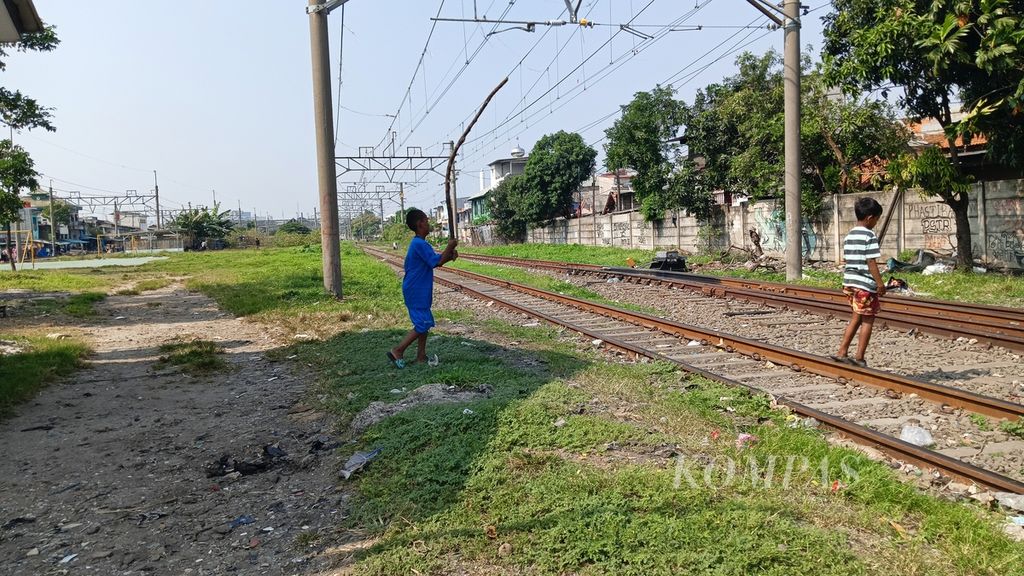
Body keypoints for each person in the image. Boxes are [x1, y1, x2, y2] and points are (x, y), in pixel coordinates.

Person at [386, 209, 458, 368]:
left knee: (423, 323)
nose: (428, 223)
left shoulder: (419, 243)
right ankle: (398, 350)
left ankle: (421, 356)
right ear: (420, 224)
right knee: (424, 323)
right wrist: (449, 246)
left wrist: (449, 255)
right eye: (426, 221)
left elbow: (436, 260)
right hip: (416, 289)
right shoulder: (419, 244)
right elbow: (436, 262)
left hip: (419, 289)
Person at [833, 197, 886, 368]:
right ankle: (860, 357)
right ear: (870, 217)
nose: (876, 223)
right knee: (868, 320)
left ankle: (842, 351)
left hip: (850, 283)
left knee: (856, 317)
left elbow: (849, 259)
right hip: (864, 285)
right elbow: (871, 262)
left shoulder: (850, 235)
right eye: (877, 219)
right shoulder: (869, 235)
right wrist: (880, 284)